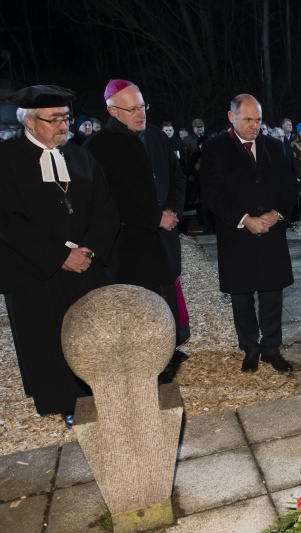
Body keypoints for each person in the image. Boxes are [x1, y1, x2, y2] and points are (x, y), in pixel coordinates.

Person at [1, 85, 119, 427]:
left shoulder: (81, 157)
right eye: (54, 119)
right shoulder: (6, 160)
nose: (64, 125)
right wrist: (58, 256)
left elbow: (106, 210)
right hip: (36, 272)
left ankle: (99, 391)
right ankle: (65, 401)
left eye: (66, 118)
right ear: (29, 122)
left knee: (89, 333)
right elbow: (7, 220)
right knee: (48, 335)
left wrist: (90, 251)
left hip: (86, 265)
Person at [83, 79, 188, 378]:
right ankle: (148, 361)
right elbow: (110, 199)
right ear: (112, 111)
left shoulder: (156, 136)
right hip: (130, 243)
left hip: (164, 236)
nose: (141, 114)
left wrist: (172, 211)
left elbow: (177, 178)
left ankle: (168, 348)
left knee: (165, 293)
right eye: (132, 109)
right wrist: (154, 218)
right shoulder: (98, 146)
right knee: (139, 302)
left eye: (142, 106)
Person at [200, 94, 298, 373]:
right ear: (231, 117)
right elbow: (212, 193)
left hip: (270, 233)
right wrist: (244, 219)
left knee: (271, 295)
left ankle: (271, 348)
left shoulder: (276, 147)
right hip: (236, 236)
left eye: (258, 120)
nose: (254, 125)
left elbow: (290, 187)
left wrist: (276, 213)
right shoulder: (215, 148)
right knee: (241, 298)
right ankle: (250, 349)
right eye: (247, 119)